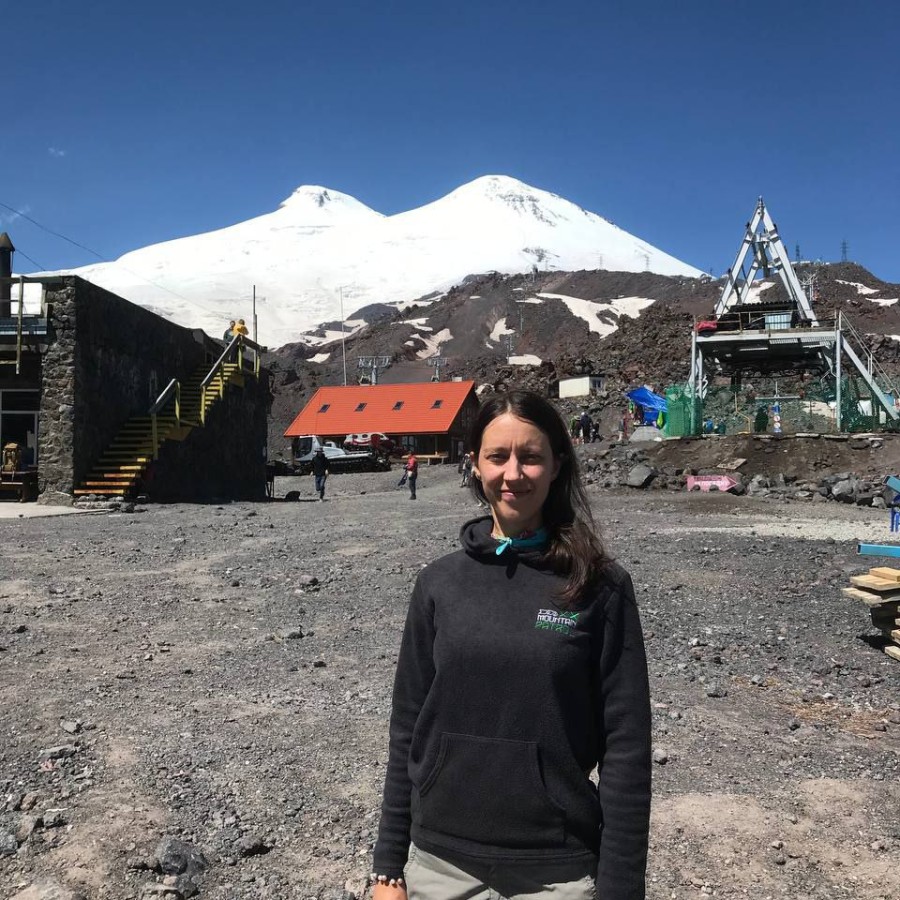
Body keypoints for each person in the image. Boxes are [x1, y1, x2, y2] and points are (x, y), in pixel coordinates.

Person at [372, 390, 651, 900]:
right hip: (440, 864)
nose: (513, 473)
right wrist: (389, 866)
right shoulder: (439, 584)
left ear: (557, 465)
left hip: (556, 871)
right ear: (475, 464)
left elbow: (627, 749)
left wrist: (622, 889)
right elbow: (407, 726)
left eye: (531, 456)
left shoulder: (599, 586)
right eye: (498, 456)